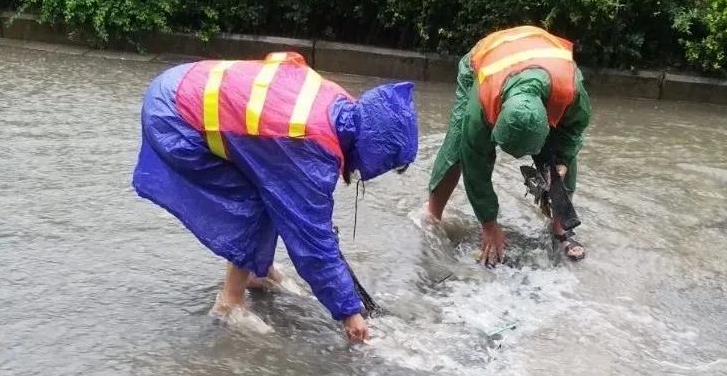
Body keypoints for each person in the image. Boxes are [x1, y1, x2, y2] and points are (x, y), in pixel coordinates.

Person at [132, 51, 418, 342]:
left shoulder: (342, 106)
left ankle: (258, 270)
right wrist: (350, 313)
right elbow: (312, 239)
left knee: (272, 191)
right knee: (254, 206)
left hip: (182, 84)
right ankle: (229, 303)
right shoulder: (306, 144)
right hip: (174, 116)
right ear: (374, 149)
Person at [427, 26, 592, 265]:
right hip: (484, 62)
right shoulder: (482, 105)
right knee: (458, 145)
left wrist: (562, 160)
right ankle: (431, 216)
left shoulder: (570, 89)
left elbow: (574, 129)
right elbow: (475, 165)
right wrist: (489, 224)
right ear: (495, 120)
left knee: (559, 159)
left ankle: (560, 230)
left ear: (547, 120)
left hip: (544, 61)